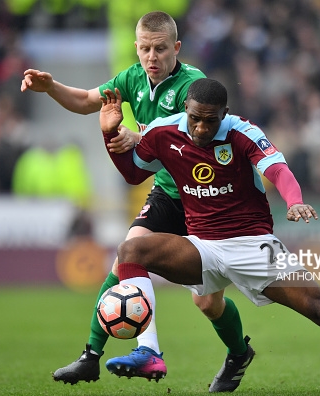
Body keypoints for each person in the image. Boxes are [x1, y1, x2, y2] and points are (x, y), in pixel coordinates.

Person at [98, 78, 320, 394]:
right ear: (186, 107)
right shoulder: (163, 132)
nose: (201, 128)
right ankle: (149, 351)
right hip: (201, 246)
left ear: (224, 115)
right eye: (195, 118)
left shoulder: (242, 132)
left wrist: (295, 201)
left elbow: (277, 169)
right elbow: (133, 173)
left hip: (251, 245)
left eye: (210, 120)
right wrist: (108, 133)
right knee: (131, 251)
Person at [20, 12, 254, 390]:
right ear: (136, 48)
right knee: (127, 254)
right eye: (145, 49)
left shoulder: (192, 85)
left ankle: (239, 354)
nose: (152, 57)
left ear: (176, 48)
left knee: (207, 304)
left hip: (203, 196)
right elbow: (84, 101)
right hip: (168, 192)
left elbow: (187, 136)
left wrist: (137, 134)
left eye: (160, 49)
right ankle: (98, 356)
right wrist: (51, 87)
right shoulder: (131, 78)